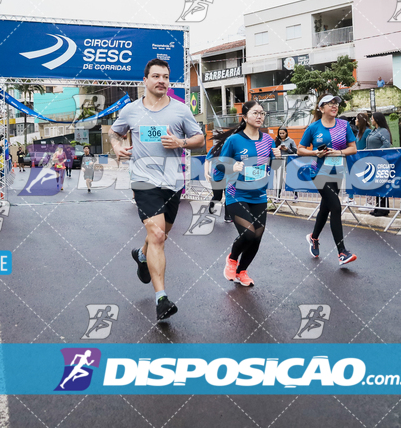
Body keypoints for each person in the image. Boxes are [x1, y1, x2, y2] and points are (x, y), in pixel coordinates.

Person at [110, 59, 205, 321]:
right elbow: (114, 133)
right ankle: (161, 298)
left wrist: (181, 142)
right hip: (143, 180)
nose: (161, 81)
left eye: (165, 77)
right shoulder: (131, 111)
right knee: (159, 234)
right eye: (156, 76)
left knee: (162, 234)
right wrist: (117, 147)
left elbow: (200, 138)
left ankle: (141, 255)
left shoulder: (180, 110)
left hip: (172, 181)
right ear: (145, 80)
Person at [215, 101, 280, 287]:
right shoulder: (234, 140)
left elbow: (273, 167)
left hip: (259, 195)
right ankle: (232, 259)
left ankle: (242, 271)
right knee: (249, 234)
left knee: (257, 237)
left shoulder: (268, 140)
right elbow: (218, 167)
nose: (259, 116)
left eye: (262, 113)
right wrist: (231, 166)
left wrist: (278, 158)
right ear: (244, 117)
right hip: (237, 194)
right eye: (255, 113)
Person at [298, 94, 358, 266]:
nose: (334, 106)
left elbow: (352, 149)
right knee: (336, 207)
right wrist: (315, 153)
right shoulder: (313, 128)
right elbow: (300, 149)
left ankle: (313, 237)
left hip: (337, 170)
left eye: (336, 103)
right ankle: (342, 252)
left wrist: (338, 153)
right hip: (318, 171)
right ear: (321, 108)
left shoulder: (344, 125)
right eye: (330, 104)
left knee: (326, 208)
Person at [366, 112, 392, 217]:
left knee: (381, 184)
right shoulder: (374, 131)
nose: (371, 121)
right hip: (372, 161)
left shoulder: (383, 131)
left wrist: (376, 153)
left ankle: (383, 209)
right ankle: (378, 207)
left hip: (380, 160)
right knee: (376, 184)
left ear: (377, 120)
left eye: (372, 119)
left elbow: (386, 144)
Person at [206, 130, 232, 223]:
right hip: (217, 177)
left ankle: (228, 216)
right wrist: (206, 172)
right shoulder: (215, 149)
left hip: (229, 176)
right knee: (218, 196)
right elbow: (207, 160)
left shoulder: (231, 149)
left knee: (229, 196)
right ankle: (212, 205)